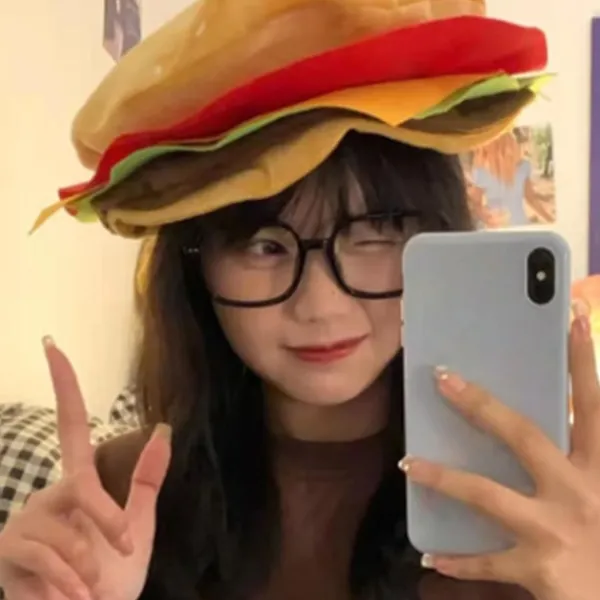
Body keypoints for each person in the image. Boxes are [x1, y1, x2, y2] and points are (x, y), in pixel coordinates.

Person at [3, 2, 600, 600]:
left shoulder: (553, 503)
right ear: (196, 269)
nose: (320, 305)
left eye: (374, 232)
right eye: (262, 245)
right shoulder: (117, 498)